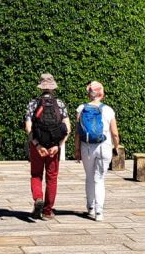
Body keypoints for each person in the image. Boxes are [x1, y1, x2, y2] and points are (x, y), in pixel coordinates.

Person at [24, 73, 70, 221]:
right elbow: (67, 128)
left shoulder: (33, 103)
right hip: (53, 147)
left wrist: (37, 145)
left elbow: (28, 127)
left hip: (38, 145)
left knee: (36, 175)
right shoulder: (60, 104)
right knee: (52, 178)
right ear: (53, 88)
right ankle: (48, 211)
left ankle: (38, 197)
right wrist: (58, 145)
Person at [76, 81, 119, 222]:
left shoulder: (81, 108)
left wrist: (76, 149)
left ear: (89, 93)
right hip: (104, 146)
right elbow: (114, 133)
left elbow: (78, 132)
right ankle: (99, 212)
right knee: (99, 179)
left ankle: (90, 208)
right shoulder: (108, 110)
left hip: (86, 147)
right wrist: (116, 146)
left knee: (89, 177)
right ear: (102, 93)